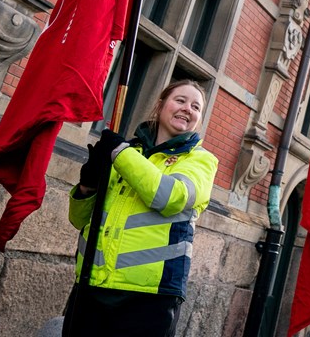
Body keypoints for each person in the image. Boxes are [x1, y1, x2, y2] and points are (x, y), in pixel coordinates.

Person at [62, 79, 219, 337]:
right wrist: (86, 188)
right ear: (160, 105)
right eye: (180, 100)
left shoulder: (201, 160)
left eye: (196, 107)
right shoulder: (127, 153)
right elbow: (79, 220)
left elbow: (171, 197)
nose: (187, 109)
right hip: (92, 286)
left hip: (150, 298)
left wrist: (120, 154)